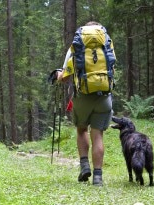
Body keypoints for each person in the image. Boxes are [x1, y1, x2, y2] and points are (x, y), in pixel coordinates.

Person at [56, 21, 115, 186]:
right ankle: (98, 177)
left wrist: (58, 75)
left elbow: (65, 77)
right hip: (104, 96)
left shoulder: (76, 47)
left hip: (82, 97)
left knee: (81, 130)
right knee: (98, 135)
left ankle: (84, 167)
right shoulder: (107, 44)